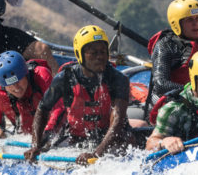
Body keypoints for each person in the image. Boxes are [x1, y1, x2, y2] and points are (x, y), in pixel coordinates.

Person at [24, 25, 136, 165]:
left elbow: (117, 122)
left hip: (112, 138)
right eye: (93, 52)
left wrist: (96, 154)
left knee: (127, 141)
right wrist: (35, 145)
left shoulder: (118, 80)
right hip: (77, 137)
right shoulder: (65, 78)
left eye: (103, 51)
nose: (100, 56)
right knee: (45, 146)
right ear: (80, 54)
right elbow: (42, 109)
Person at [0, 51, 63, 147]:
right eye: (9, 84)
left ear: (26, 74)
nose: (16, 88)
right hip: (26, 139)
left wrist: (46, 134)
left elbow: (59, 108)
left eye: (18, 81)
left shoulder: (42, 76)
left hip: (52, 133)